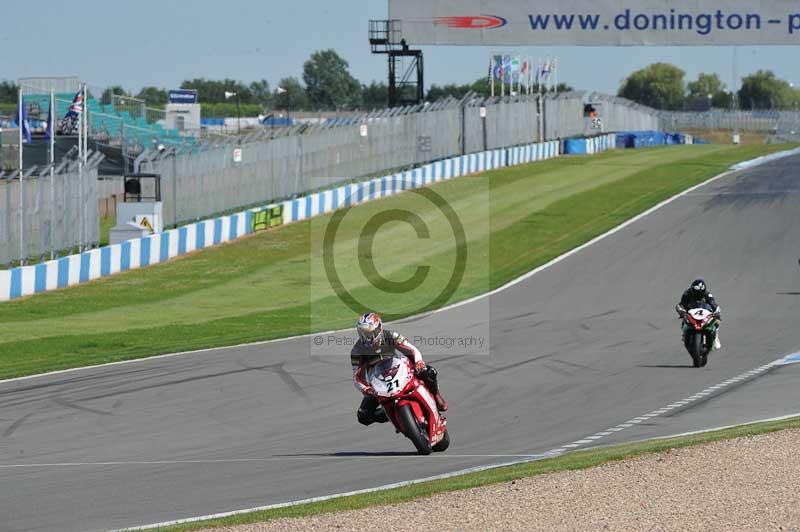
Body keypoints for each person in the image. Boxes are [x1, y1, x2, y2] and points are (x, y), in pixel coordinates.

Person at [351, 312, 448, 426]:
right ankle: (391, 415)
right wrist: (366, 389)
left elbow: (411, 349)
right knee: (363, 416)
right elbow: (357, 377)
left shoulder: (391, 335)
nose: (368, 338)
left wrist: (418, 362)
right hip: (379, 384)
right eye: (364, 334)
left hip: (400, 371)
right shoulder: (357, 351)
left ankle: (436, 396)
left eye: (371, 333)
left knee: (429, 372)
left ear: (379, 328)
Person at [675, 279, 722, 349]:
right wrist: (682, 312)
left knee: (717, 321)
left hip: (704, 311)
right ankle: (684, 334)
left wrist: (717, 312)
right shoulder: (687, 294)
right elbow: (680, 305)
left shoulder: (708, 295)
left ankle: (716, 337)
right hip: (691, 311)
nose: (698, 295)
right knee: (684, 319)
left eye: (700, 293)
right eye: (696, 293)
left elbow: (714, 304)